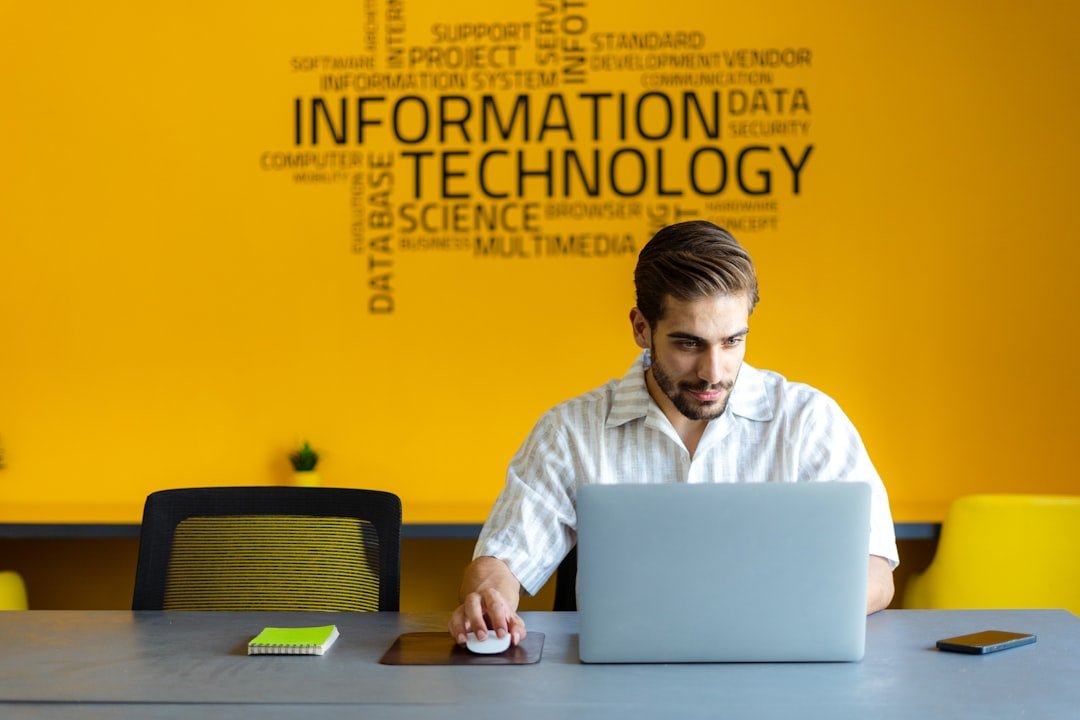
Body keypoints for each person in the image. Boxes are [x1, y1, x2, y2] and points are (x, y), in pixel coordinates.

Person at [448, 220, 899, 647]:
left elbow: (876, 571)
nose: (713, 372)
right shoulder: (570, 432)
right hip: (620, 683)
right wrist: (489, 598)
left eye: (732, 341)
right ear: (642, 329)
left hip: (778, 669)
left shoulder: (808, 420)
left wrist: (783, 617)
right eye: (689, 343)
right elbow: (502, 560)